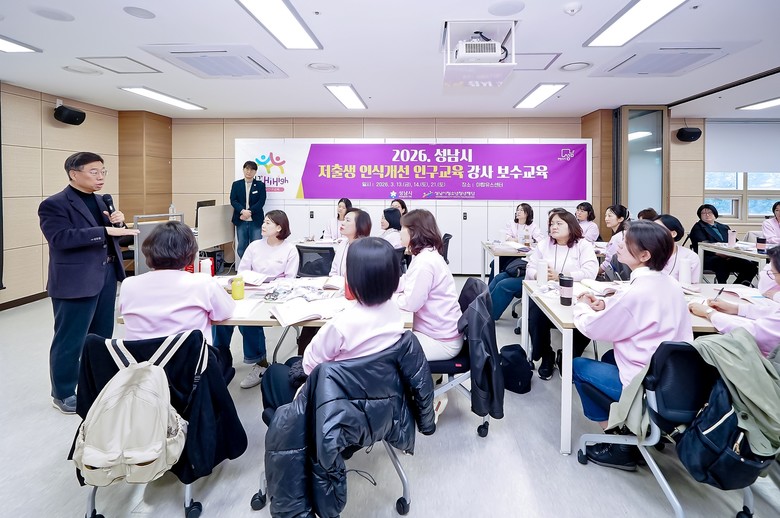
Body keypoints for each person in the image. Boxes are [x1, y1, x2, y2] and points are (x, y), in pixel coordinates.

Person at [572, 220, 693, 471]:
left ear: (645, 255)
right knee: (609, 357)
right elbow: (634, 309)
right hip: (674, 380)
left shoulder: (638, 292)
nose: (618, 246)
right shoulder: (668, 283)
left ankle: (621, 445)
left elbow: (593, 329)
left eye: (625, 243)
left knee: (577, 366)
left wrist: (582, 306)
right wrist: (607, 305)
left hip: (646, 385)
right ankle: (629, 427)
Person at [38, 151, 139, 414]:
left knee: (101, 336)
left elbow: (114, 239)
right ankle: (63, 392)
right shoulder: (54, 204)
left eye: (103, 171)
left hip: (106, 275)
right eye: (94, 171)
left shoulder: (102, 201)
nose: (100, 177)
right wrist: (104, 230)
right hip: (74, 281)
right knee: (70, 339)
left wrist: (119, 224)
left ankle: (97, 384)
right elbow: (60, 238)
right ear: (74, 174)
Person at [261, 237, 405, 413]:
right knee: (291, 361)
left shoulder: (341, 325)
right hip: (376, 393)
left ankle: (292, 427)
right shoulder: (395, 313)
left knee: (273, 372)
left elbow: (309, 365)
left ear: (353, 278)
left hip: (336, 400)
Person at [214, 210, 299, 389]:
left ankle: (260, 363)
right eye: (264, 221)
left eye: (268, 222)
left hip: (274, 296)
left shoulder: (290, 249)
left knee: (248, 321)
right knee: (222, 317)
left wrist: (271, 284)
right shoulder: (254, 246)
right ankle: (221, 359)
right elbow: (243, 271)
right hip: (250, 292)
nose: (263, 225)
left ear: (279, 228)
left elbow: (290, 280)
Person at [526, 209, 598, 380]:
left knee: (587, 318)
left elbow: (590, 272)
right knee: (535, 314)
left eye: (559, 223)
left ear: (571, 226)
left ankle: (568, 355)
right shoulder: (544, 244)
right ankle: (547, 355)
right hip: (547, 294)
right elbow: (530, 267)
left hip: (576, 295)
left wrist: (562, 276)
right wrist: (538, 275)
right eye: (552, 224)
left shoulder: (583, 245)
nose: (554, 227)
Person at [689, 245, 780, 358]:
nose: (773, 279)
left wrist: (709, 313)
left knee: (703, 348)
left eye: (773, 273)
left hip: (768, 363)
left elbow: (749, 332)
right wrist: (736, 308)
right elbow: (773, 312)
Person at [397, 209, 463, 361]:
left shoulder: (424, 262)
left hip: (441, 341)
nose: (400, 232)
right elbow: (407, 280)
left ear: (414, 232)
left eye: (403, 228)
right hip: (438, 332)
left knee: (385, 352)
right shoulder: (425, 255)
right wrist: (386, 287)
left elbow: (411, 303)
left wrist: (385, 299)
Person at [689, 203, 757, 284]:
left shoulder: (723, 227)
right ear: (700, 215)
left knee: (750, 266)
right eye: (703, 213)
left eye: (710, 212)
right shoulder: (698, 227)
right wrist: (719, 253)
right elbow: (701, 245)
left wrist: (739, 249)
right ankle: (722, 286)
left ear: (715, 213)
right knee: (721, 263)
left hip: (729, 255)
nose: (707, 215)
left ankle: (738, 286)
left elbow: (735, 241)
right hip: (709, 257)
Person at [229, 160, 266, 259]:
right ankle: (245, 265)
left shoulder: (260, 185)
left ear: (255, 172)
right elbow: (233, 200)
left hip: (256, 220)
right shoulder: (236, 184)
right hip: (241, 220)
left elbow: (261, 201)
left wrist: (249, 212)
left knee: (257, 247)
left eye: (252, 170)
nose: (249, 172)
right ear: (243, 170)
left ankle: (255, 266)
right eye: (247, 169)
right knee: (241, 247)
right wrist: (242, 211)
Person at [654, 214, 701, 283]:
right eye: (651, 229)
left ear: (673, 233)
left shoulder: (690, 256)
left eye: (658, 229)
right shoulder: (646, 254)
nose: (653, 233)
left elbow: (693, 284)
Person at [330, 208, 371, 276]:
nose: (343, 223)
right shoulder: (343, 244)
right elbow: (333, 271)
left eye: (348, 220)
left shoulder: (367, 249)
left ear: (360, 225)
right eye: (344, 219)